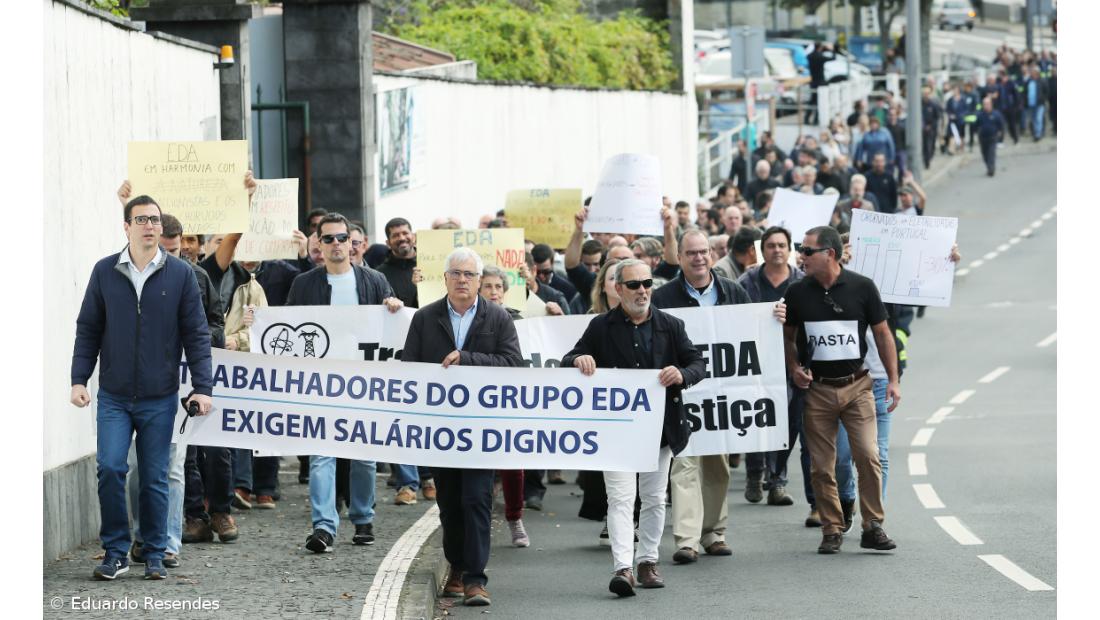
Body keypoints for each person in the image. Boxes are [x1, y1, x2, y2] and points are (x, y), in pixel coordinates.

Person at [71, 192, 219, 580]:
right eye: (142, 220)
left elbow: (197, 334)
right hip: (114, 398)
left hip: (159, 397)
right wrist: (78, 379)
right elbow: (88, 328)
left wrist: (203, 387)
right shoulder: (105, 271)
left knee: (154, 477)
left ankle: (154, 550)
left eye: (154, 220)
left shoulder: (181, 273)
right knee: (110, 468)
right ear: (126, 226)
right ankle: (116, 550)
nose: (150, 226)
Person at [563, 259, 706, 597]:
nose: (642, 290)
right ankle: (622, 568)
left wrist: (682, 375)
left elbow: (697, 363)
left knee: (655, 498)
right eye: (634, 285)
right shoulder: (601, 327)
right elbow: (569, 358)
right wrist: (578, 361)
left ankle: (648, 561)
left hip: (660, 431)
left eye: (646, 283)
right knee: (621, 499)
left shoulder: (671, 325)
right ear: (617, 289)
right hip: (617, 434)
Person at [652, 230, 784, 564]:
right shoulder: (663, 297)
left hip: (722, 400)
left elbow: (752, 334)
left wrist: (773, 319)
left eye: (703, 252)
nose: (698, 258)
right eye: (691, 253)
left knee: (716, 467)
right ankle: (687, 539)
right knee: (683, 465)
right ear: (679, 257)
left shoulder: (733, 291)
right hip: (682, 396)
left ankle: (714, 533)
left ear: (711, 255)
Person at [403, 248, 523, 607]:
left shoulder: (497, 318)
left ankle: (475, 578)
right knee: (450, 503)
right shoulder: (425, 319)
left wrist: (467, 358)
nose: (462, 280)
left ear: (478, 280)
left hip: (481, 429)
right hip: (440, 430)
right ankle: (455, 566)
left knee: (476, 499)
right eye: (455, 273)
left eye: (469, 275)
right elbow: (409, 368)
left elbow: (513, 364)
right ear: (444, 279)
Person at [288, 213, 404, 554]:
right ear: (318, 244)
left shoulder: (374, 281)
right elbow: (288, 328)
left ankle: (362, 517)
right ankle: (323, 526)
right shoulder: (304, 284)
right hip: (320, 385)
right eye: (329, 239)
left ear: (353, 243)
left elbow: (391, 329)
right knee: (322, 455)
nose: (337, 245)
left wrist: (394, 306)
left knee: (365, 457)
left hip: (364, 385)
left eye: (343, 238)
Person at [783, 226, 899, 554]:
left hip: (858, 386)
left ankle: (873, 525)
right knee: (822, 465)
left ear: (829, 254)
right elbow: (788, 337)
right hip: (818, 390)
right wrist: (794, 367)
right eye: (800, 250)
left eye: (807, 251)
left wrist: (893, 380)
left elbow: (883, 334)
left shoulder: (862, 287)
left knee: (868, 455)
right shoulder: (797, 292)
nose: (800, 256)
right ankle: (832, 528)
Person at [478, 265, 532, 547]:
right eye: (488, 286)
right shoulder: (471, 319)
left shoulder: (520, 321)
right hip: (477, 401)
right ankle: (480, 521)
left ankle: (514, 518)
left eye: (499, 287)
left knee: (513, 464)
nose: (494, 292)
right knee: (480, 464)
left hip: (510, 401)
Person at [975, 96, 1006, 177]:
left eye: (988, 104)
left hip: (993, 137)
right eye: (985, 104)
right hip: (983, 138)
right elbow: (976, 125)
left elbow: (1001, 125)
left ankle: (991, 169)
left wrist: (1000, 134)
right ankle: (988, 167)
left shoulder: (996, 114)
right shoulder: (980, 115)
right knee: (985, 154)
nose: (986, 106)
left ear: (991, 104)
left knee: (991, 154)